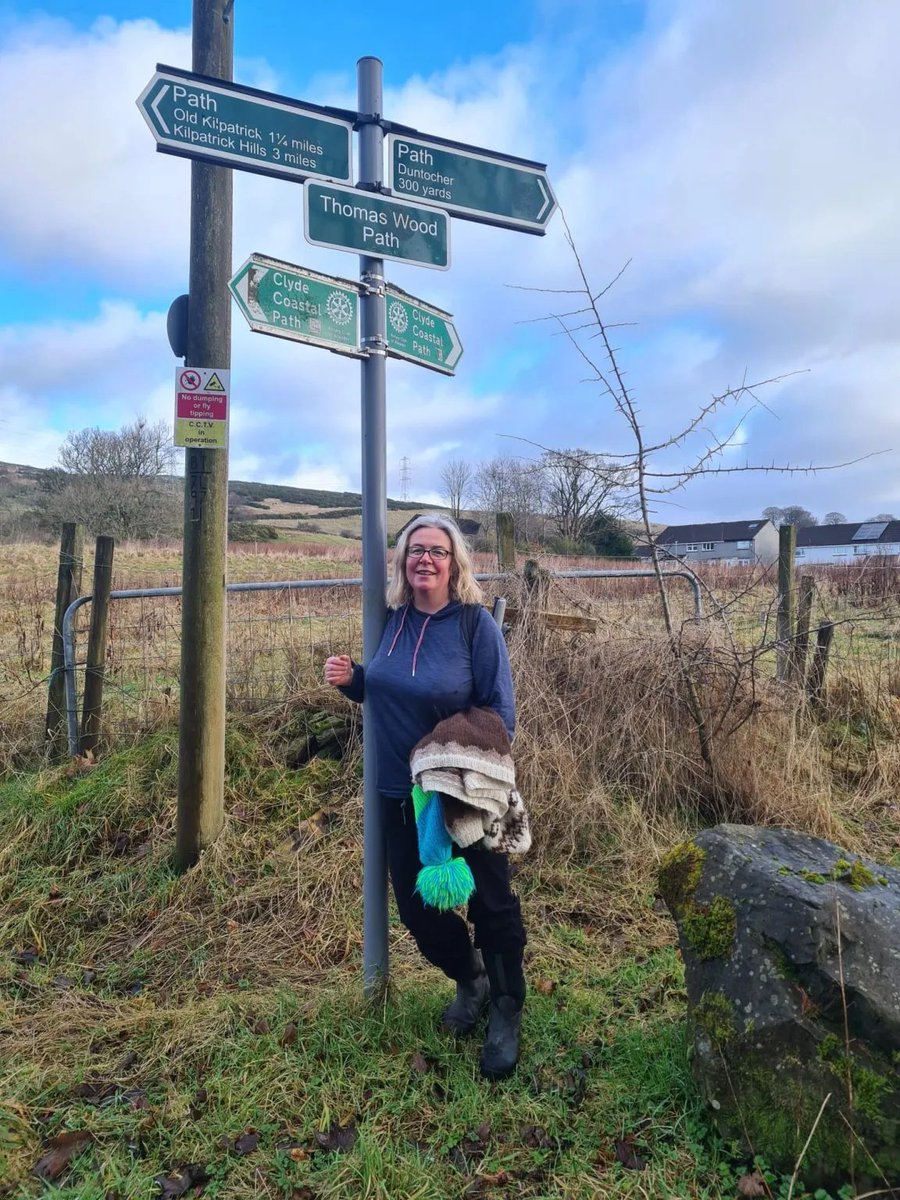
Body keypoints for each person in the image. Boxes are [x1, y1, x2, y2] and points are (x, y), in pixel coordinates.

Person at [324, 513, 527, 1078]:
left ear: (454, 562)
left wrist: (443, 751)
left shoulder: (472, 626)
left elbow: (499, 713)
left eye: (437, 551)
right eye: (416, 550)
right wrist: (355, 681)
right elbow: (390, 693)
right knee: (417, 909)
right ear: (402, 560)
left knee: (491, 902)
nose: (426, 560)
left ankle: (507, 1009)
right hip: (398, 791)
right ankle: (471, 979)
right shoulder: (389, 622)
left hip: (461, 790)